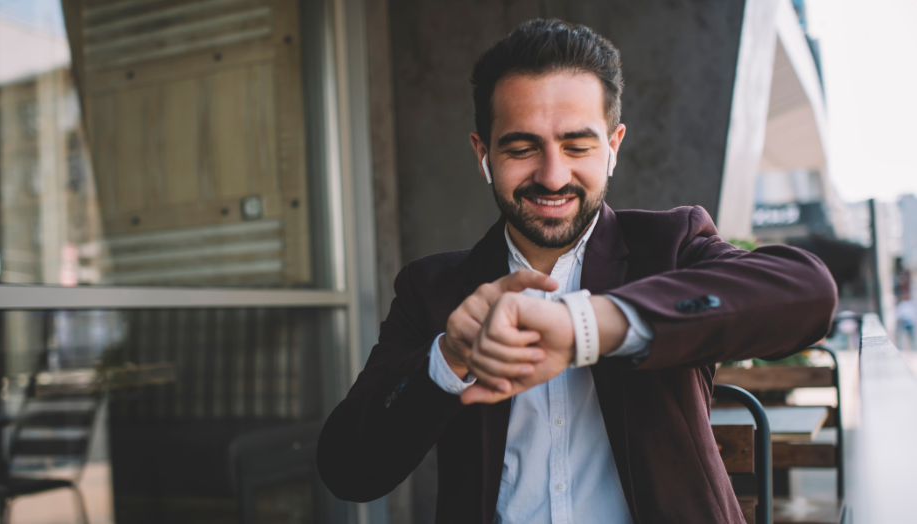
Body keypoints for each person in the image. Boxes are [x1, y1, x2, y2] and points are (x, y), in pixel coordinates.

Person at [317, 19, 837, 523]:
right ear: (483, 154)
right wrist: (446, 360)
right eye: (521, 148)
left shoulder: (670, 245)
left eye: (577, 146)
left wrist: (588, 325)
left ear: (612, 148)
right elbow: (347, 471)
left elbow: (808, 292)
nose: (552, 175)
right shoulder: (431, 290)